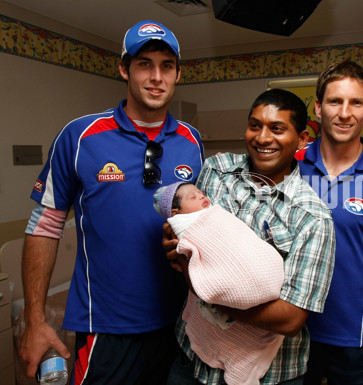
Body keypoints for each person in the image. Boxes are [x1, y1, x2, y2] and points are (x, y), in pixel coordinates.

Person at [20, 20, 204, 385]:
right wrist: (35, 320)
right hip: (106, 327)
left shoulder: (192, 141)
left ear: (178, 74)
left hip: (181, 326)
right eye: (144, 64)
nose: (156, 77)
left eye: (166, 66)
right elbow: (44, 225)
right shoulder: (80, 136)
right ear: (123, 68)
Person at [164, 88, 336, 385]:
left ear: (302, 139)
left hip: (270, 375)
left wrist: (208, 290)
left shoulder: (312, 217)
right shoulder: (216, 171)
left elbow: (291, 318)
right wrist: (174, 241)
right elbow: (187, 226)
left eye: (277, 129)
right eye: (255, 125)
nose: (262, 137)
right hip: (191, 359)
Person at [294, 60, 363, 385]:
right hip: (290, 334)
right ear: (318, 107)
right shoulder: (291, 166)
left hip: (357, 339)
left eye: (355, 102)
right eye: (335, 101)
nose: (344, 112)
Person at [153, 181, 285, 385]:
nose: (200, 196)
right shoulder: (184, 225)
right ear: (175, 212)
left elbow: (236, 238)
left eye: (200, 192)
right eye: (192, 197)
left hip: (260, 270)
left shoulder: (216, 213)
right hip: (188, 363)